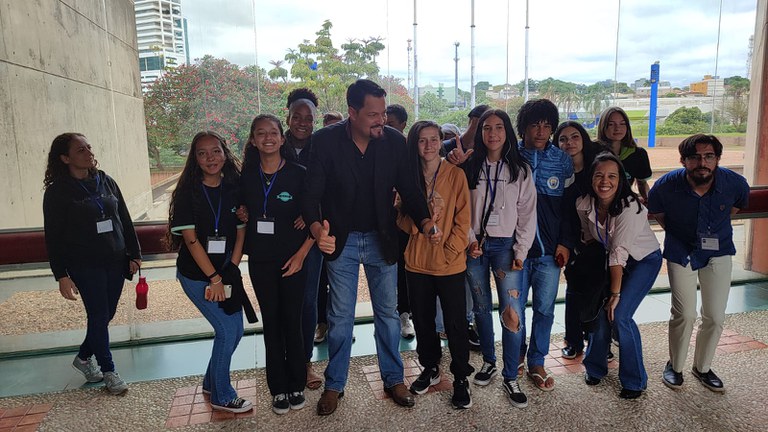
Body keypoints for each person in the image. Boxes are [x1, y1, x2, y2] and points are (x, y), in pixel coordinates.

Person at [303, 79, 440, 416]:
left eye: (383, 113)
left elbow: (409, 188)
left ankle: (393, 379)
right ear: (352, 113)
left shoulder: (393, 141)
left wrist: (425, 221)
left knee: (388, 315)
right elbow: (310, 195)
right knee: (340, 317)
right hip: (342, 239)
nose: (382, 120)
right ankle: (335, 384)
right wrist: (318, 230)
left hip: (382, 238)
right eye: (373, 114)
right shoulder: (325, 141)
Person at [648, 134, 749, 393]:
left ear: (717, 158)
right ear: (683, 161)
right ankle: (675, 366)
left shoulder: (735, 183)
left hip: (719, 251)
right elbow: (658, 213)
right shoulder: (666, 186)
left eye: (709, 156)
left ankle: (702, 368)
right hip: (681, 250)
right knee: (684, 314)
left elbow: (735, 208)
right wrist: (683, 234)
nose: (702, 162)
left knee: (715, 316)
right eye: (694, 157)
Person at [43, 132, 142, 395]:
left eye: (88, 147)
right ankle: (109, 371)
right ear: (65, 158)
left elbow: (124, 218)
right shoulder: (58, 192)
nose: (89, 153)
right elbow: (53, 236)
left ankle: (84, 357)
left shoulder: (105, 181)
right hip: (84, 264)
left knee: (106, 314)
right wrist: (61, 275)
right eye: (80, 150)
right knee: (98, 315)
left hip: (116, 260)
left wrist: (134, 253)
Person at [168, 131, 254, 413]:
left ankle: (211, 382)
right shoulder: (187, 193)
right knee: (227, 330)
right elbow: (191, 241)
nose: (210, 158)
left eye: (215, 151)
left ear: (224, 153)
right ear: (195, 159)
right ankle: (222, 395)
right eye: (202, 153)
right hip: (197, 275)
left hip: (225, 271)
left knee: (236, 329)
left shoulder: (233, 187)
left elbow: (241, 231)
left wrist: (231, 268)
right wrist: (214, 279)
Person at [461, 110, 537, 408]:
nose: (492, 134)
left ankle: (510, 374)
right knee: (480, 307)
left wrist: (521, 250)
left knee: (512, 311)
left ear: (507, 133)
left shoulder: (520, 169)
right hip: (476, 246)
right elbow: (462, 208)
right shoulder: (471, 165)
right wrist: (470, 239)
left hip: (507, 247)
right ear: (480, 133)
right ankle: (489, 361)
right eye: (486, 128)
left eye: (499, 128)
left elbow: (527, 213)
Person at [397, 120, 474, 409]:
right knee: (423, 321)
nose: (428, 145)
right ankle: (430, 367)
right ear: (414, 144)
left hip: (450, 263)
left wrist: (450, 251)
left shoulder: (455, 174)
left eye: (433, 139)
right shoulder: (408, 178)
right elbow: (402, 221)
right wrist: (418, 224)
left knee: (455, 324)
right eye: (422, 140)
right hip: (417, 263)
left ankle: (461, 377)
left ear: (441, 142)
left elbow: (463, 219)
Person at [241, 114, 315, 414]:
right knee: (271, 323)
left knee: (292, 322)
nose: (268, 138)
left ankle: (297, 382)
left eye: (273, 132)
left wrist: (301, 255)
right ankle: (278, 387)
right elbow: (239, 212)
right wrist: (242, 213)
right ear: (253, 140)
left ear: (282, 138)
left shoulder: (300, 174)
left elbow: (316, 218)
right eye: (261, 133)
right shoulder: (246, 176)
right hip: (261, 261)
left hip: (293, 260)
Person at [578, 152, 662, 399]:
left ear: (621, 180)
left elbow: (619, 252)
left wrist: (615, 294)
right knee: (601, 313)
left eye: (612, 176)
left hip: (643, 260)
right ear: (591, 178)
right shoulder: (583, 203)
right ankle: (595, 367)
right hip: (612, 261)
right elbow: (589, 236)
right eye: (599, 175)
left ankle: (635, 381)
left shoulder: (630, 207)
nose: (605, 181)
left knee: (620, 315)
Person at [515, 99, 574, 392]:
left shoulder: (561, 160)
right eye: (535, 124)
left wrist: (565, 242)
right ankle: (516, 356)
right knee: (513, 309)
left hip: (550, 253)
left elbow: (568, 207)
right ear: (523, 127)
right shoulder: (511, 155)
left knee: (544, 309)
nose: (541, 131)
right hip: (515, 252)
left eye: (547, 125)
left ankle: (537, 361)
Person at [281, 88, 325, 391]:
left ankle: (305, 361)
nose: (302, 122)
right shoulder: (273, 142)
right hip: (278, 236)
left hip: (311, 237)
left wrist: (311, 216)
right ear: (288, 116)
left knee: (308, 300)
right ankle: (283, 359)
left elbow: (332, 189)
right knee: (282, 300)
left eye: (308, 118)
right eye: (297, 116)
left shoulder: (323, 147)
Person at [554, 121, 603, 359]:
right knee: (574, 288)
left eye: (574, 137)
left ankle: (599, 341)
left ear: (583, 139)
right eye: (563, 139)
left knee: (600, 290)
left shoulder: (597, 168)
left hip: (600, 239)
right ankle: (573, 340)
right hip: (572, 240)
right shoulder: (556, 171)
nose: (569, 143)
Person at [597, 107, 652, 201]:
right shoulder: (592, 151)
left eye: (622, 124)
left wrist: (648, 200)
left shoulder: (638, 154)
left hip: (625, 203)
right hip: (596, 204)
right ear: (603, 126)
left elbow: (642, 184)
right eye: (611, 124)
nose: (617, 128)